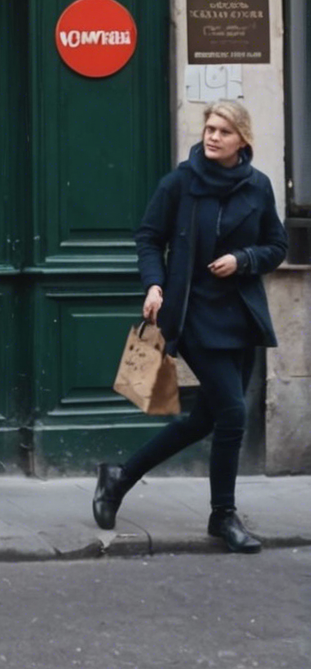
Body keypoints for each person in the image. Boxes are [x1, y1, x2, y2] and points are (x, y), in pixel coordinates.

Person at [93, 101, 286, 553]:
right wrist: (154, 284)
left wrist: (243, 259)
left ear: (243, 140)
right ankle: (223, 516)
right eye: (209, 128)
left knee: (207, 418)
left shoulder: (258, 187)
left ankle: (119, 477)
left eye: (223, 131)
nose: (212, 136)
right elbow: (148, 237)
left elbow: (277, 245)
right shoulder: (181, 183)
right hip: (193, 311)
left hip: (240, 314)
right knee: (234, 415)